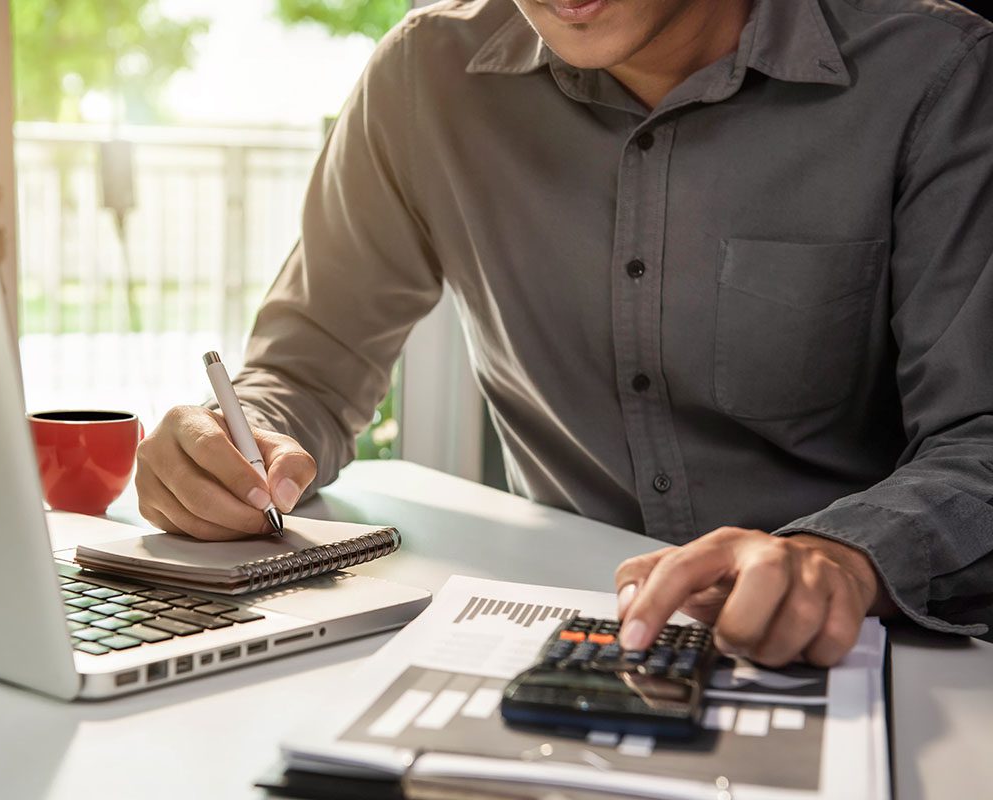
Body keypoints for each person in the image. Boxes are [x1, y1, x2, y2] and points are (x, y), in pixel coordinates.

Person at [135, 0, 993, 667]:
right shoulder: (424, 75)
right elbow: (307, 372)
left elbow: (980, 441)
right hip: (552, 640)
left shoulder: (934, 74)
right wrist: (241, 445)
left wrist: (842, 558)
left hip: (872, 660)